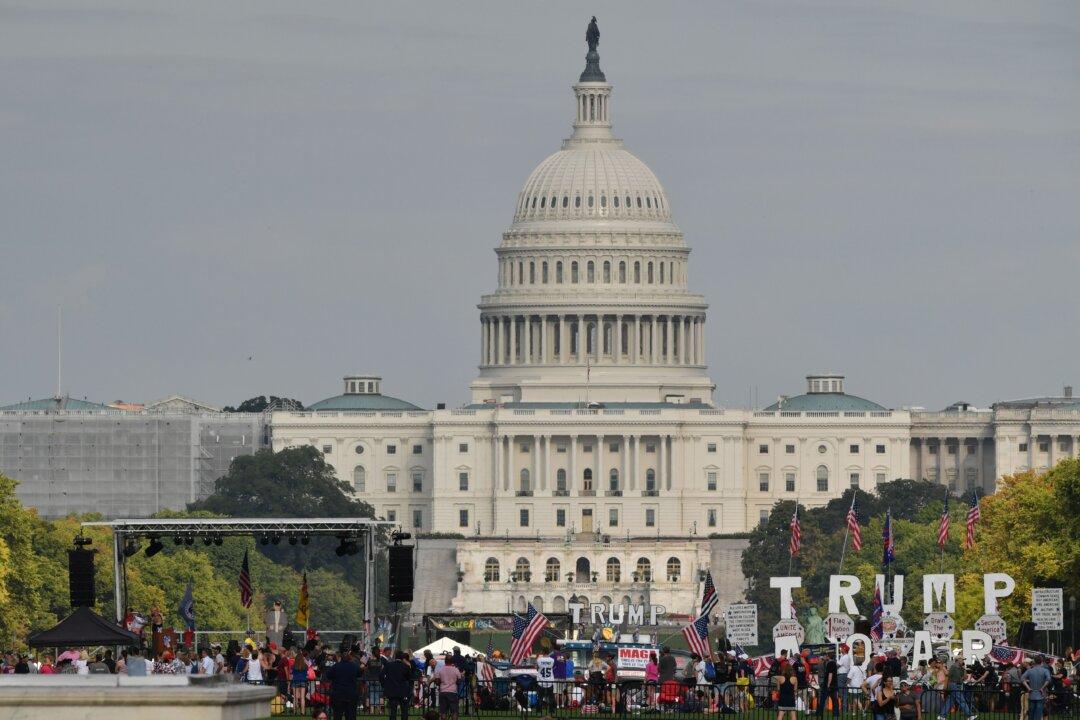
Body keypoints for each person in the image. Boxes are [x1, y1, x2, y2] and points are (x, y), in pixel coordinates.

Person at [936, 655, 976, 720]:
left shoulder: (960, 668)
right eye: (962, 660)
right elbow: (949, 677)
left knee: (950, 701)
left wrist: (964, 669)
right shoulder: (953, 667)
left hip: (956, 685)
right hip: (954, 685)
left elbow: (964, 677)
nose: (963, 661)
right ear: (958, 660)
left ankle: (941, 716)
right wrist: (946, 686)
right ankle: (970, 716)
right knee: (961, 700)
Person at [325, 650, 361, 720]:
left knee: (337, 715)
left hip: (338, 694)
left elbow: (328, 675)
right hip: (351, 693)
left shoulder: (336, 666)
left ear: (341, 658)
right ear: (349, 658)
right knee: (351, 715)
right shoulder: (354, 666)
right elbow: (359, 674)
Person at [380, 651, 414, 720]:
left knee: (393, 711)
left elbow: (381, 676)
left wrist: (384, 685)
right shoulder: (405, 666)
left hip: (392, 691)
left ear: (395, 657)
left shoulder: (389, 665)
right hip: (403, 691)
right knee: (404, 711)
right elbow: (410, 677)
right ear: (402, 658)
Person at [431, 653, 463, 720]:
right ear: (452, 661)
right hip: (453, 692)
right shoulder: (456, 670)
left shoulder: (440, 670)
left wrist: (440, 683)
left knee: (443, 712)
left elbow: (437, 682)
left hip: (443, 691)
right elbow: (459, 681)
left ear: (445, 661)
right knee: (454, 712)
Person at [1021, 655, 1052, 720]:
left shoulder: (1030, 670)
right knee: (1039, 713)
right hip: (1041, 694)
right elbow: (1048, 679)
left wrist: (1028, 688)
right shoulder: (1045, 671)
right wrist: (1043, 688)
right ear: (1041, 661)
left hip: (1032, 694)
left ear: (1034, 662)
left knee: (1031, 714)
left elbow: (1022, 679)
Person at [817, 651, 839, 717]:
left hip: (828, 685)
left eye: (826, 656)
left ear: (828, 657)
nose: (826, 657)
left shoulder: (830, 663)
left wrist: (828, 684)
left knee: (822, 700)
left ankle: (819, 713)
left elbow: (830, 674)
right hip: (834, 684)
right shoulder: (834, 663)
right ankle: (836, 714)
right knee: (835, 700)